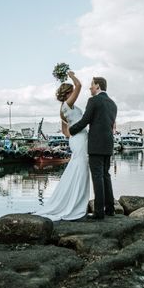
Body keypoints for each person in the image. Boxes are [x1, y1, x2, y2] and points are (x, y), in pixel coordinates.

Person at [35, 71, 90, 221]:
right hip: (79, 140)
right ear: (67, 94)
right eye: (71, 92)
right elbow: (79, 85)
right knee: (80, 168)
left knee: (78, 168)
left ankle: (75, 201)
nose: (74, 93)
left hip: (77, 139)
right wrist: (71, 74)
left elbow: (66, 133)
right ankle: (75, 204)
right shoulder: (67, 105)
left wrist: (76, 135)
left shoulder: (64, 110)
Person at [68, 76, 117, 219]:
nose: (90, 88)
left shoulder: (94, 100)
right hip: (108, 143)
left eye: (91, 85)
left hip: (96, 144)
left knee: (97, 177)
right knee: (106, 175)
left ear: (98, 86)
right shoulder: (113, 104)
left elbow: (85, 120)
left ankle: (99, 212)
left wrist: (71, 131)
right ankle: (110, 209)